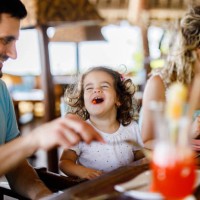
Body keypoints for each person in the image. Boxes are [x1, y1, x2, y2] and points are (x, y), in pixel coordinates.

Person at [0, 0, 104, 199]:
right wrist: (33, 139)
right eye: (6, 40)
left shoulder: (1, 90)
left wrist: (44, 196)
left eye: (15, 42)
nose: (14, 53)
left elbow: (16, 167)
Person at [59, 66, 144, 180]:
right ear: (83, 102)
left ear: (118, 99)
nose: (96, 90)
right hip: (93, 190)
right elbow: (64, 162)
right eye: (89, 88)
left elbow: (138, 153)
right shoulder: (80, 131)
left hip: (124, 186)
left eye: (104, 86)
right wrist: (83, 172)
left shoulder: (131, 127)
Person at [141, 4, 200, 147]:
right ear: (196, 48)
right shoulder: (160, 83)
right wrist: (187, 135)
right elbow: (147, 142)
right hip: (170, 165)